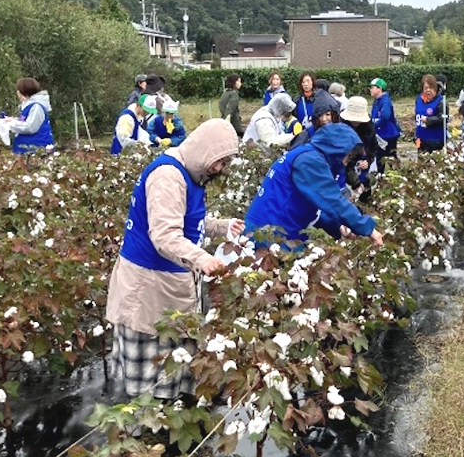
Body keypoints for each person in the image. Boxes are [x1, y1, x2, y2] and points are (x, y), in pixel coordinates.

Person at [106, 119, 245, 399]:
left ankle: (166, 412)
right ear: (204, 150)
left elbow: (182, 218)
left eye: (224, 163)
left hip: (168, 280)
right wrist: (202, 259)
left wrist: (220, 226)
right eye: (218, 162)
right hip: (149, 286)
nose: (219, 169)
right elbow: (165, 235)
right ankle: (147, 427)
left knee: (171, 352)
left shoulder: (187, 173)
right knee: (153, 363)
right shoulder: (168, 176)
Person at [244, 123, 383, 246]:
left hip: (272, 228)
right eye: (349, 157)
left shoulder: (307, 154)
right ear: (336, 149)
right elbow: (332, 200)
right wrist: (366, 227)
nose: (346, 163)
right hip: (269, 233)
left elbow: (314, 205)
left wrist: (338, 225)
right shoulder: (309, 161)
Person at [340, 96, 377, 202]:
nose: (356, 121)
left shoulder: (368, 127)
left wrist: (368, 160)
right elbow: (342, 158)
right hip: (345, 169)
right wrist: (354, 182)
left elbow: (373, 146)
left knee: (365, 197)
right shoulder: (341, 127)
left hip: (362, 169)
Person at [3, 78, 54, 155]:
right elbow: (26, 120)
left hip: (36, 149)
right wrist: (14, 120)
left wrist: (12, 124)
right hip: (27, 149)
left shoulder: (36, 106)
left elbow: (30, 127)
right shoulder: (28, 105)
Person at [369, 78, 400, 170]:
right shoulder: (376, 101)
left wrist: (374, 126)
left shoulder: (385, 101)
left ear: (379, 89)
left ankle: (394, 176)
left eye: (372, 87)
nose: (370, 89)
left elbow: (385, 116)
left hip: (388, 134)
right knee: (380, 158)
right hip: (381, 134)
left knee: (389, 157)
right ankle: (381, 177)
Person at [415, 74, 446, 153]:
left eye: (430, 88)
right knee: (421, 164)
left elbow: (443, 118)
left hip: (435, 140)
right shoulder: (419, 99)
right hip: (421, 139)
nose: (428, 90)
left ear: (435, 88)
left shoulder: (441, 101)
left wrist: (428, 120)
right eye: (426, 88)